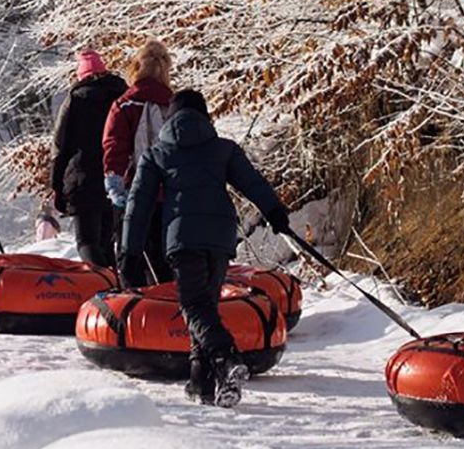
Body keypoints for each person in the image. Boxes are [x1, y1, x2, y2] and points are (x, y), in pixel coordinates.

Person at [121, 90, 291, 408]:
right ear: (205, 117)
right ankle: (201, 382)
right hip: (220, 237)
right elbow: (253, 182)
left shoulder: (158, 153)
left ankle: (226, 358)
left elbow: (138, 205)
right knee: (205, 306)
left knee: (194, 307)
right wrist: (275, 212)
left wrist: (129, 252)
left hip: (183, 238)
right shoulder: (222, 149)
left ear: (170, 119)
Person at [102, 40, 173, 285]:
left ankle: (133, 308)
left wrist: (114, 182)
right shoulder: (174, 105)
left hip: (135, 191)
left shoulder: (124, 105)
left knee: (129, 254)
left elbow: (115, 147)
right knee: (164, 255)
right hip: (170, 193)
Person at [50, 49, 128, 268]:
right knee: (106, 242)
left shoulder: (74, 100)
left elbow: (60, 145)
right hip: (116, 176)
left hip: (82, 178)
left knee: (86, 242)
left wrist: (56, 184)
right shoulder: (122, 97)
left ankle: (101, 286)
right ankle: (115, 289)